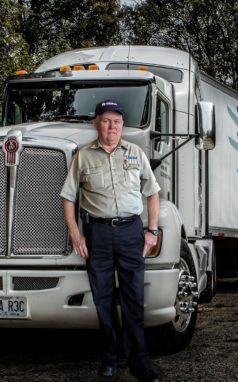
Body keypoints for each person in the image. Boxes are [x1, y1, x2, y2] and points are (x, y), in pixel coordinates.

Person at [60, 100, 162, 382]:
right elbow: (68, 197)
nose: (113, 126)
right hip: (98, 235)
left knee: (134, 300)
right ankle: (109, 359)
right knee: (103, 300)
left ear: (122, 125)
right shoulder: (83, 156)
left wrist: (151, 231)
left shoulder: (135, 153)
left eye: (117, 121)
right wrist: (75, 233)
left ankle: (140, 363)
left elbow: (152, 192)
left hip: (131, 233)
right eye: (107, 120)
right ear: (96, 124)